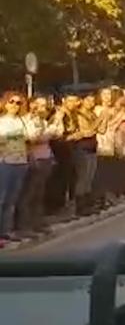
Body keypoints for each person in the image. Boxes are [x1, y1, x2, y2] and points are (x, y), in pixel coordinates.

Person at [18, 96, 64, 235]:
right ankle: (24, 226)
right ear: (32, 105)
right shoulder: (26, 120)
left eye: (44, 106)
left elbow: (57, 134)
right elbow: (35, 138)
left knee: (39, 194)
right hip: (33, 159)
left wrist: (58, 120)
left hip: (46, 158)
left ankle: (37, 223)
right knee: (29, 194)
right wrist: (48, 130)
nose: (42, 108)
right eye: (39, 105)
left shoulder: (42, 121)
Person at [0, 91, 30, 243]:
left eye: (18, 103)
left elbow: (29, 138)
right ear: (5, 103)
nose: (15, 106)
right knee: (2, 198)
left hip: (21, 162)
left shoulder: (21, 121)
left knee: (12, 199)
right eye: (12, 102)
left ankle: (7, 231)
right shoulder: (2, 121)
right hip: (5, 162)